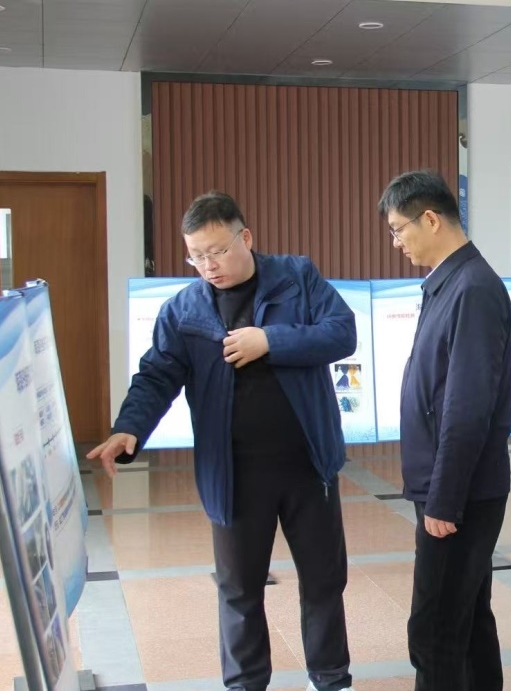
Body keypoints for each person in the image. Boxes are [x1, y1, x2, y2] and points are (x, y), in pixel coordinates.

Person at [86, 191, 358, 691]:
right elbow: (157, 375)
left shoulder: (297, 277)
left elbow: (341, 333)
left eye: (217, 251)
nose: (208, 265)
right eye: (196, 256)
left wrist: (269, 341)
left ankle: (330, 679)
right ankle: (245, 684)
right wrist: (129, 426)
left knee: (323, 580)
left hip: (307, 465)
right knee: (238, 590)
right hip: (233, 474)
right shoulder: (183, 310)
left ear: (245, 237)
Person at [378, 169, 511, 691]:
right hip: (453, 489)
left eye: (399, 229)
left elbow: (467, 407)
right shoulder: (450, 283)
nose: (397, 242)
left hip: (459, 494)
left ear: (431, 219)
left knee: (435, 629)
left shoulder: (472, 289)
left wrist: (443, 500)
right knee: (467, 618)